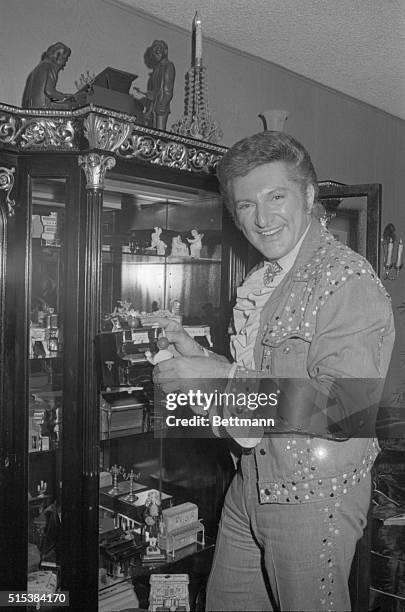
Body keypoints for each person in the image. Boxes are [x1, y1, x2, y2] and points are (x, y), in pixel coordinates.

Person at [152, 131, 395, 611]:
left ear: (307, 196)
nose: (261, 218)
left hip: (313, 497)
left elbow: (346, 409)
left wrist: (219, 381)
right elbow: (259, 378)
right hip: (251, 483)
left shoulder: (347, 279)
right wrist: (206, 362)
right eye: (245, 205)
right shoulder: (265, 278)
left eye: (275, 196)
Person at [22, 42, 76, 109]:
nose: (65, 63)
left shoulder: (40, 67)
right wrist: (65, 97)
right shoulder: (50, 66)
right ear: (58, 56)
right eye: (65, 59)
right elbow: (49, 91)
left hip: (32, 107)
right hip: (43, 107)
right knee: (73, 107)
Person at [142, 40, 175, 131]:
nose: (155, 55)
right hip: (155, 106)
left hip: (161, 107)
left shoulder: (169, 66)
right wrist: (149, 110)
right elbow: (157, 90)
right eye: (154, 53)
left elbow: (168, 90)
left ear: (165, 51)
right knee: (155, 133)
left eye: (158, 52)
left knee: (160, 134)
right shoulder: (157, 69)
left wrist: (163, 105)